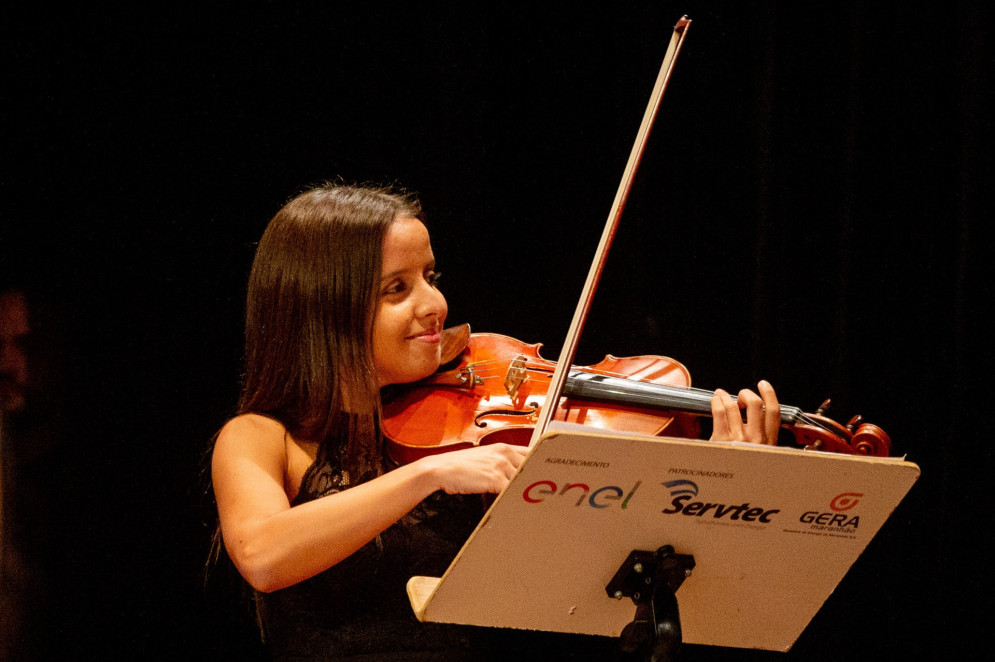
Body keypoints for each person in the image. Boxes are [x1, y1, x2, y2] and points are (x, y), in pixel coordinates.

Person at [210, 182, 781, 660]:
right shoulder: (263, 438)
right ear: (322, 304)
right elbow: (262, 555)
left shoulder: (472, 428)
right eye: (396, 289)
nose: (434, 305)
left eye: (430, 277)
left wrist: (718, 479)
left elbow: (609, 580)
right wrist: (426, 477)